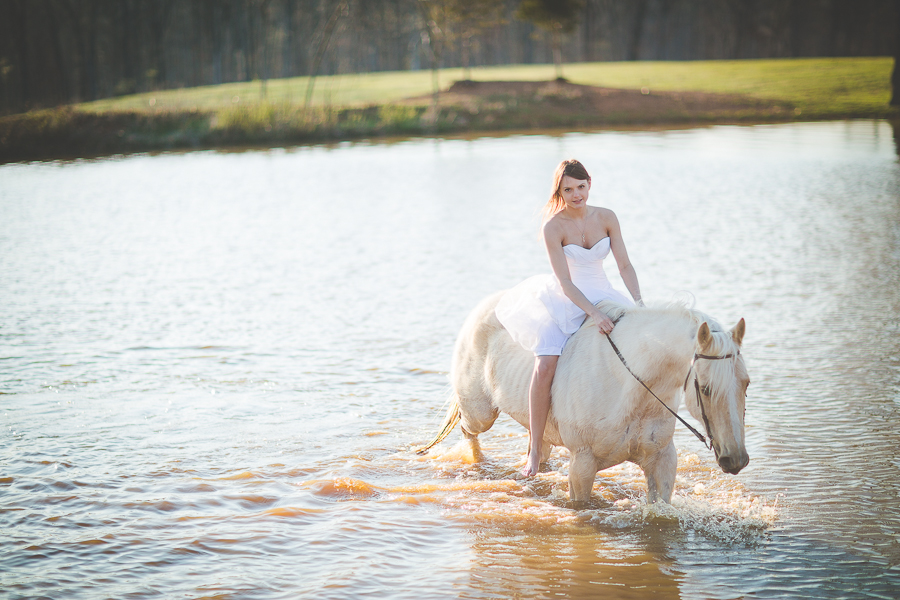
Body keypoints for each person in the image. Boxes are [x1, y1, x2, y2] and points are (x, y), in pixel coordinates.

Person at [494, 159, 644, 477]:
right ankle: (535, 449)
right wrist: (594, 313)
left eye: (581, 187)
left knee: (640, 348)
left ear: (590, 183)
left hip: (605, 292)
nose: (576, 194)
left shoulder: (607, 217)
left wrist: (639, 303)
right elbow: (564, 282)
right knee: (546, 362)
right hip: (566, 298)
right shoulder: (553, 227)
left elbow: (625, 266)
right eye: (568, 190)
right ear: (559, 192)